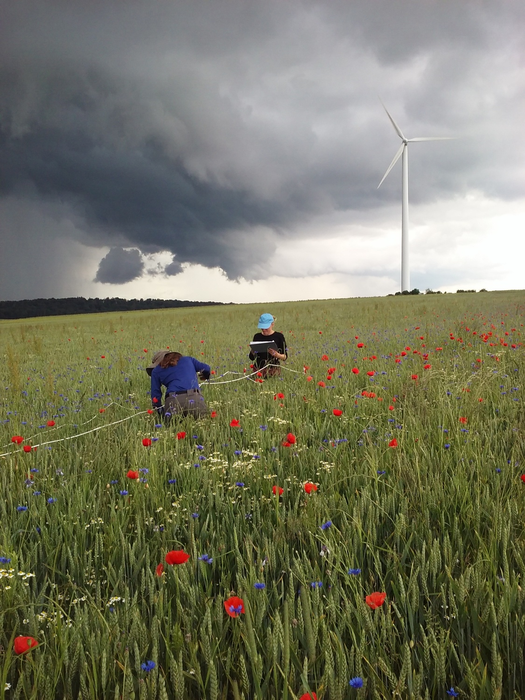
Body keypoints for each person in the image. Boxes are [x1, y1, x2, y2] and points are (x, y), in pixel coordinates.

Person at [146, 350, 210, 419]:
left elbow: (155, 395)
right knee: (201, 425)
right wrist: (204, 376)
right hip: (195, 398)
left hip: (173, 401)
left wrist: (160, 411)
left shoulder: (156, 371)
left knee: (173, 428)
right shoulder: (188, 359)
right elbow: (206, 368)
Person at [249, 313, 287, 377]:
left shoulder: (279, 336)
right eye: (262, 327)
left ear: (272, 324)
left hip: (274, 370)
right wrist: (253, 351)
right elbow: (252, 358)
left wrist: (277, 355)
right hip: (258, 370)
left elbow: (285, 357)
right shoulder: (257, 336)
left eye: (266, 327)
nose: (263, 329)